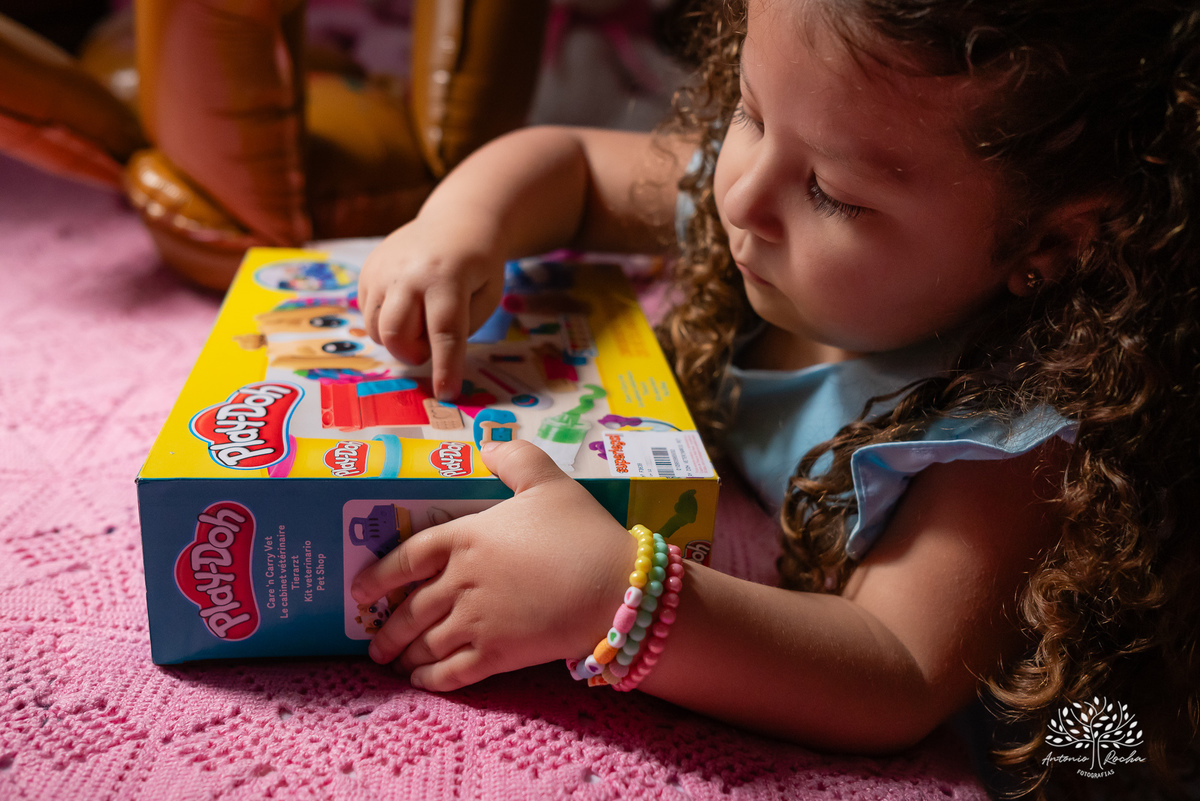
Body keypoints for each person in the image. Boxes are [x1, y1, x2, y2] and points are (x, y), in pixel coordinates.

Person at [350, 0, 1200, 794]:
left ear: (1051, 239)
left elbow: (891, 671)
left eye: (834, 193)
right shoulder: (782, 180)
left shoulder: (1011, 443)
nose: (742, 195)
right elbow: (570, 163)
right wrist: (459, 227)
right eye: (750, 112)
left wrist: (616, 591)